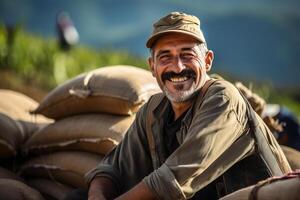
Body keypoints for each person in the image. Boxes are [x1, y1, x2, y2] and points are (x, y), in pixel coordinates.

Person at [86, 12, 291, 200]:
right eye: (165, 56)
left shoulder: (223, 100)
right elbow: (111, 168)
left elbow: (170, 181)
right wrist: (96, 196)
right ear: (152, 67)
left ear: (207, 60)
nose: (178, 67)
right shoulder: (153, 110)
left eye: (187, 55)